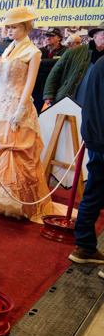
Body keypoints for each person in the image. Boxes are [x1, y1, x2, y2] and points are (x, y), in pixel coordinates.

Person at [0, 7, 53, 221]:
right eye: (8, 27)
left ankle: (14, 200)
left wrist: (21, 109)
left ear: (26, 27)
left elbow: (29, 84)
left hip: (17, 107)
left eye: (14, 27)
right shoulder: (7, 49)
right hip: (1, 105)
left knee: (13, 151)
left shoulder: (33, 52)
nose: (9, 30)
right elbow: (1, 80)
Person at [69, 56, 104, 265]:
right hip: (98, 136)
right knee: (93, 194)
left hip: (94, 136)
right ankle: (84, 247)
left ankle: (84, 247)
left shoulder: (100, 62)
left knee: (93, 194)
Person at [43, 21, 104, 110]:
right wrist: (49, 94)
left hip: (97, 106)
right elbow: (56, 73)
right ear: (95, 36)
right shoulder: (74, 51)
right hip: (70, 100)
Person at [34, 27, 67, 111]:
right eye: (47, 36)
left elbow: (61, 62)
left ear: (59, 38)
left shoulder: (65, 51)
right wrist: (51, 63)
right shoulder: (40, 51)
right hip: (38, 88)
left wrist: (42, 61)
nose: (48, 38)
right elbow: (35, 64)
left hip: (56, 88)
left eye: (52, 36)